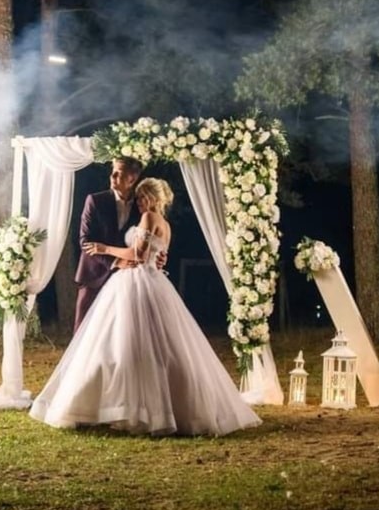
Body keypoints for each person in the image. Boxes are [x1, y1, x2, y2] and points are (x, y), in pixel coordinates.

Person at [30, 178, 262, 437]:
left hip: (138, 280)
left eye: (143, 197)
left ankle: (130, 406)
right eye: (138, 197)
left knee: (130, 341)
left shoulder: (149, 217)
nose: (139, 202)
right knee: (139, 343)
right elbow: (155, 255)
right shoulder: (166, 224)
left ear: (154, 198)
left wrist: (104, 248)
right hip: (151, 279)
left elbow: (139, 255)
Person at [73, 157, 145, 332]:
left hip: (127, 280)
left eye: (119, 173)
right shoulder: (95, 201)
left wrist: (157, 255)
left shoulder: (142, 206)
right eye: (112, 172)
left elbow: (148, 238)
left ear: (132, 179)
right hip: (94, 276)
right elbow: (85, 241)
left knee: (118, 332)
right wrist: (115, 262)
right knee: (84, 331)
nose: (112, 177)